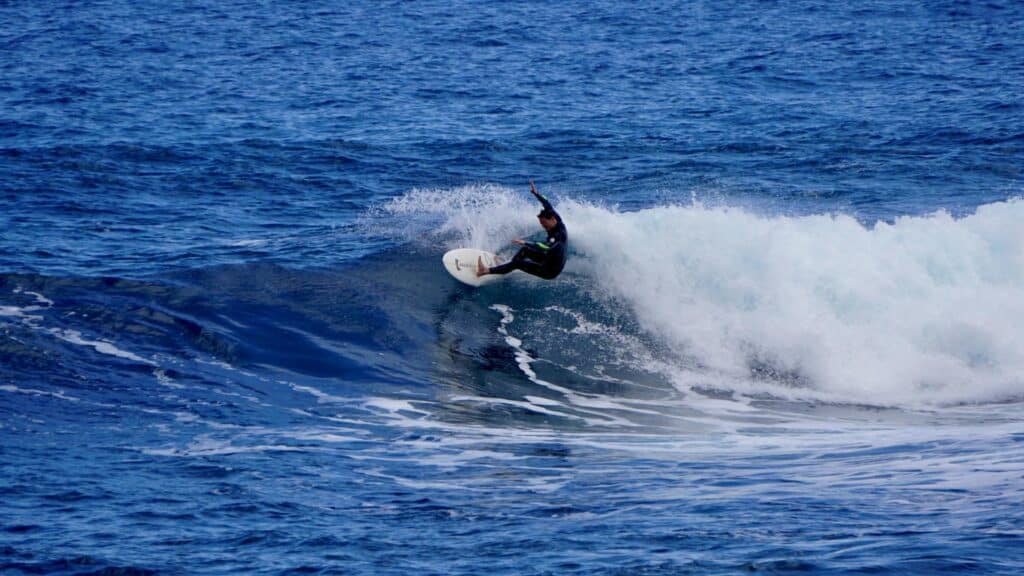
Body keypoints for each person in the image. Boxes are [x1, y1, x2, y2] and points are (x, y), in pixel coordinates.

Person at [477, 181, 567, 280]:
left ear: (552, 220)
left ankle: (485, 271)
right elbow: (547, 204)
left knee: (518, 263)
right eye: (541, 223)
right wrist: (536, 194)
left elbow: (544, 247)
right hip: (549, 259)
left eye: (544, 223)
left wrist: (525, 242)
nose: (542, 225)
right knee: (524, 252)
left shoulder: (558, 235)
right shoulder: (556, 220)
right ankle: (507, 267)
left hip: (549, 271)